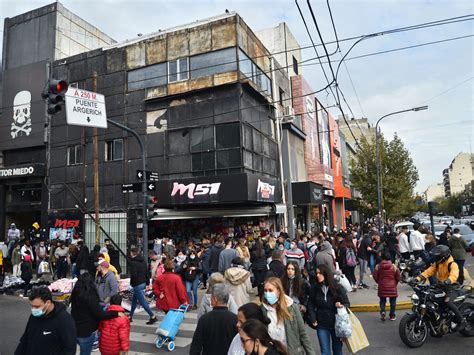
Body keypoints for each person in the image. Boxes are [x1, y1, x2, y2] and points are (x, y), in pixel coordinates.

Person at [70, 273, 122, 355]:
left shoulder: (75, 295)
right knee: (85, 352)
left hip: (74, 330)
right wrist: (116, 313)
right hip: (86, 332)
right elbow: (100, 314)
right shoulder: (90, 296)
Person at [15, 286, 77, 355]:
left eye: (37, 306)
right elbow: (25, 340)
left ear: (48, 303)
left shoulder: (64, 320)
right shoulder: (34, 316)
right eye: (32, 306)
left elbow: (69, 349)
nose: (33, 309)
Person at [416, 245, 464, 331]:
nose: (435, 257)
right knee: (430, 297)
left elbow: (454, 275)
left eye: (437, 256)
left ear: (443, 256)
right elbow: (429, 271)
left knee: (448, 302)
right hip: (441, 285)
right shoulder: (438, 263)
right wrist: (418, 278)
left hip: (451, 286)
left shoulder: (453, 264)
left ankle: (462, 321)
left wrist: (448, 281)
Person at [262, 277, 315, 355]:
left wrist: (311, 353)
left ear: (279, 291)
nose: (267, 294)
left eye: (270, 290)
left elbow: (302, 333)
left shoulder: (292, 308)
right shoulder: (263, 310)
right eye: (265, 291)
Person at [307, 264, 350, 355]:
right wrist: (313, 318)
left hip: (336, 325)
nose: (318, 275)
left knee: (337, 350)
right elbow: (310, 303)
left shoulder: (337, 287)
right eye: (316, 273)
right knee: (325, 351)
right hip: (322, 324)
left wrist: (341, 305)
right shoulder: (315, 288)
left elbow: (347, 303)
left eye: (320, 273)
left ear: (326, 274)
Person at [190, 284, 238, 355]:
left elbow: (196, 345)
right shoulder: (235, 319)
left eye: (211, 297)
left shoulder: (204, 319)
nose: (210, 299)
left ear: (215, 299)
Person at [128, 247, 158, 324]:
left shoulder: (133, 263)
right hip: (143, 282)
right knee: (134, 300)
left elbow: (133, 275)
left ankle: (152, 316)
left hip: (137, 284)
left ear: (132, 253)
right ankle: (130, 316)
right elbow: (147, 272)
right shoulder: (143, 261)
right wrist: (147, 283)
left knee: (142, 302)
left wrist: (132, 283)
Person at [373, 252, 400, 321]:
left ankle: (383, 311)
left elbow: (375, 276)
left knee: (382, 300)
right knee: (393, 302)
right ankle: (392, 315)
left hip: (382, 286)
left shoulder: (378, 266)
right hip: (392, 286)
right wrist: (395, 283)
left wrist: (379, 282)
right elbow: (398, 277)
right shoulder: (394, 266)